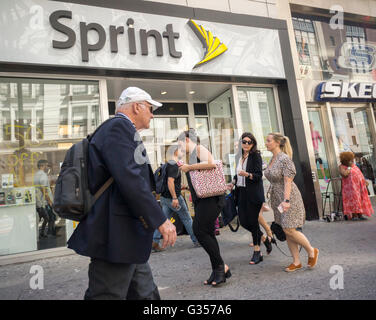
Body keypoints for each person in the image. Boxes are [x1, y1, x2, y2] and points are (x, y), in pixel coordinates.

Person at [67, 87, 177, 300]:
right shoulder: (118, 128)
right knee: (107, 295)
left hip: (126, 236)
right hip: (115, 234)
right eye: (150, 108)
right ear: (137, 106)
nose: (152, 114)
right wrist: (160, 220)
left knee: (145, 294)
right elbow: (131, 179)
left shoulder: (120, 129)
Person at [178, 129, 231, 287]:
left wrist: (189, 167)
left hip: (211, 198)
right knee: (207, 232)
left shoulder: (199, 149)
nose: (179, 146)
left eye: (180, 142)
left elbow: (211, 163)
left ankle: (221, 267)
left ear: (187, 139)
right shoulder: (192, 155)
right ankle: (219, 269)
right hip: (204, 199)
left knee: (199, 231)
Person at [264, 133, 319, 272]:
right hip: (277, 198)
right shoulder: (273, 158)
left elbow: (288, 181)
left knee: (290, 228)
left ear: (277, 143)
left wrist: (286, 200)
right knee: (286, 230)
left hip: (289, 197)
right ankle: (296, 262)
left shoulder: (284, 159)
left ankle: (311, 250)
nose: (266, 143)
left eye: (268, 141)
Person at [229, 132, 272, 265]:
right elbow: (237, 175)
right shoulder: (239, 157)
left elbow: (258, 175)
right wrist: (233, 182)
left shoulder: (255, 156)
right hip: (241, 193)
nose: (246, 144)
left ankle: (257, 252)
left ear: (253, 144)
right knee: (244, 221)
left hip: (253, 193)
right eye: (244, 142)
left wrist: (247, 174)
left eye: (249, 142)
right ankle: (264, 238)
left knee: (253, 222)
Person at [152, 145, 199, 252]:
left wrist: (180, 187)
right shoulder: (173, 165)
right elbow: (170, 182)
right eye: (181, 150)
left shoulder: (167, 165)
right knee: (186, 218)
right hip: (173, 198)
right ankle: (197, 240)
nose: (182, 151)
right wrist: (174, 197)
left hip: (164, 197)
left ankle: (154, 241)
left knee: (162, 220)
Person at [339, 152, 374, 221]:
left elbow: (359, 174)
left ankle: (360, 214)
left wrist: (364, 182)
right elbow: (345, 174)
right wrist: (349, 167)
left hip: (358, 187)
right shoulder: (342, 167)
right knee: (353, 200)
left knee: (359, 199)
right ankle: (354, 215)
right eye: (350, 160)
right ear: (346, 160)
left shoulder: (353, 165)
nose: (352, 161)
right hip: (350, 189)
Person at [34, 159, 55, 238]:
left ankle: (42, 233)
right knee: (50, 217)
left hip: (40, 201)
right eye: (46, 165)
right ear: (42, 166)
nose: (47, 167)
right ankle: (50, 234)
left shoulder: (36, 175)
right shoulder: (43, 175)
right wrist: (49, 201)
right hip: (44, 202)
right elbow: (44, 190)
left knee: (45, 218)